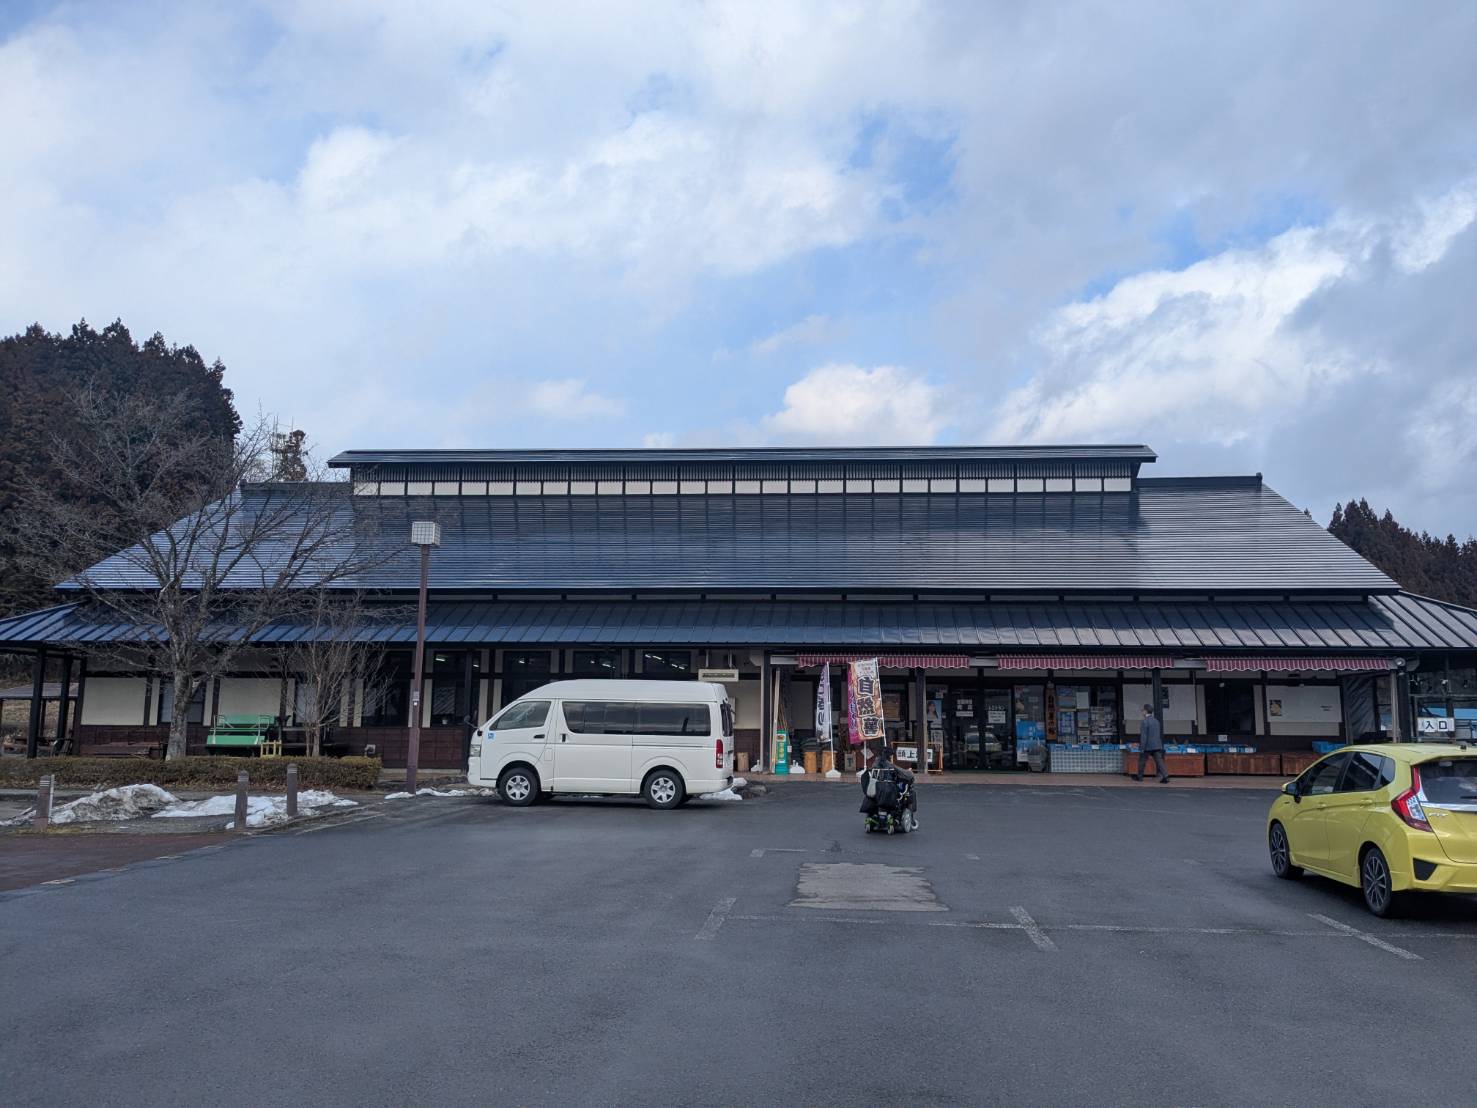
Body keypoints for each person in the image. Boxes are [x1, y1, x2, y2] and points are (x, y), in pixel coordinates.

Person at [1133, 704, 1169, 783]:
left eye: (1142, 710)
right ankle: (1166, 776)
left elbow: (1144, 736)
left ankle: (1140, 777)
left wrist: (1142, 747)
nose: (1142, 711)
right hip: (1157, 744)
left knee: (1142, 761)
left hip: (1147, 746)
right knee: (1159, 761)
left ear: (1145, 711)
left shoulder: (1144, 721)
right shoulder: (1156, 721)